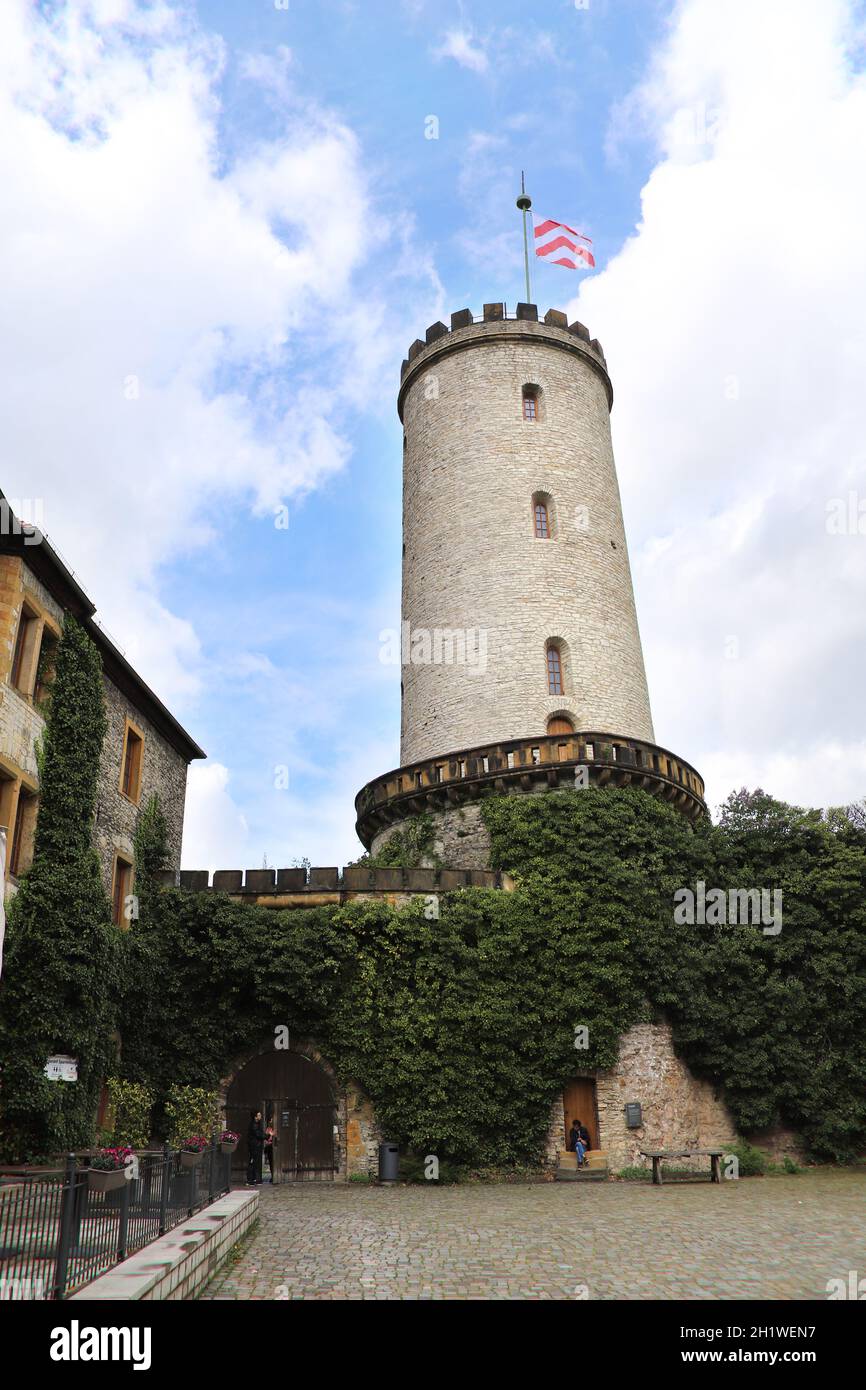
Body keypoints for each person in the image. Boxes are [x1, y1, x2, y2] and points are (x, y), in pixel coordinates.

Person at [247, 1109, 265, 1186]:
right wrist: (267, 1135)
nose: (260, 1116)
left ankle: (255, 1179)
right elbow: (258, 1135)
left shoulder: (257, 1124)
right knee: (253, 1162)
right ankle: (251, 1180)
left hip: (256, 1146)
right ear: (255, 1117)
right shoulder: (254, 1125)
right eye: (259, 1115)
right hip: (254, 1146)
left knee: (255, 1163)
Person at [264, 1119, 276, 1183]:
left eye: (271, 1120)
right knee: (271, 1163)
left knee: (275, 1162)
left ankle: (275, 1176)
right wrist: (270, 1136)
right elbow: (266, 1140)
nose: (271, 1121)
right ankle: (272, 1176)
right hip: (270, 1147)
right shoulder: (268, 1129)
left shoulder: (276, 1128)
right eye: (270, 1120)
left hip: (275, 1146)